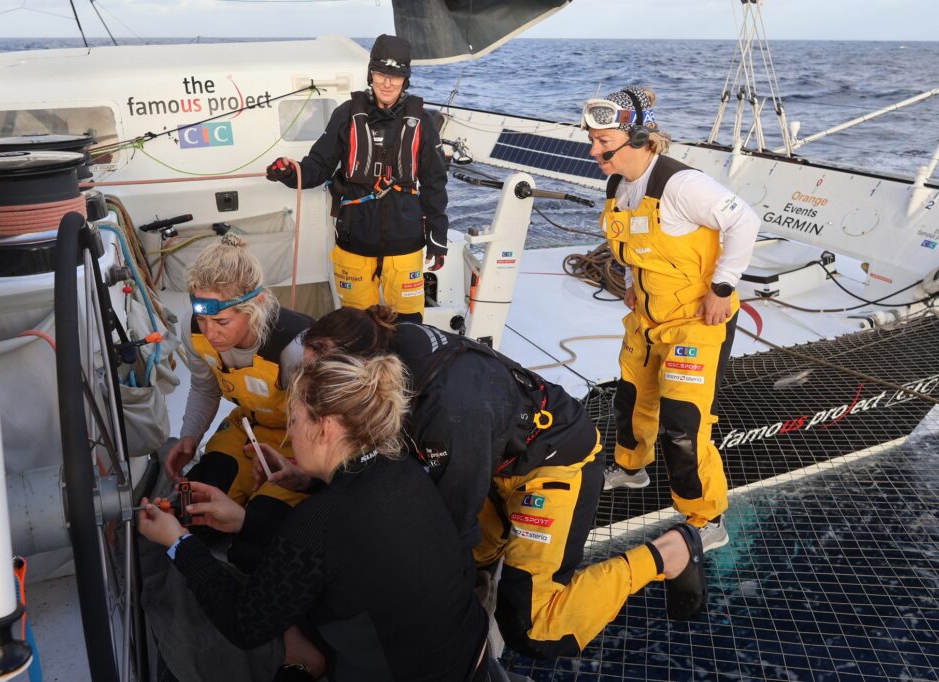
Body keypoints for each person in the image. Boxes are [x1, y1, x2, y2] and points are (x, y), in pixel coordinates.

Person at [298, 306, 709, 660]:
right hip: (495, 458)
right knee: (470, 558)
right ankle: (497, 566)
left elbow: (450, 523)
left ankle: (668, 552)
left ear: (360, 371)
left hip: (552, 468)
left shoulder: (449, 410)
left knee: (533, 629)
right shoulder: (388, 341)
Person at [139, 353, 497, 681]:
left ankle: (303, 663)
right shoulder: (402, 467)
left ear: (325, 428)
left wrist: (177, 542)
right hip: (468, 656)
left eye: (293, 420)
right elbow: (343, 549)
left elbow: (243, 624)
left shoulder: (318, 519)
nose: (289, 433)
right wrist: (245, 520)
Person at [582, 86, 760, 551]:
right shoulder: (617, 185)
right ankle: (630, 468)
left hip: (696, 323)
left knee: (682, 424)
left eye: (603, 142)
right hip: (647, 317)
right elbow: (632, 243)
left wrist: (722, 288)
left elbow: (745, 222)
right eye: (592, 139)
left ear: (639, 139)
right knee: (631, 399)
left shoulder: (683, 186)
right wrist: (630, 283)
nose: (593, 150)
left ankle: (707, 519)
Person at [264, 34, 449, 323]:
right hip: (354, 243)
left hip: (406, 245)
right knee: (358, 328)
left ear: (406, 79)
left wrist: (438, 238)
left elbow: (435, 183)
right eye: (381, 73)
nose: (387, 82)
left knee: (410, 326)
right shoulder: (346, 115)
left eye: (396, 75)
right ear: (371, 74)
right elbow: (317, 167)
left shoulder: (422, 122)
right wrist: (289, 173)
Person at [163, 234, 312, 510]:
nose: (209, 332)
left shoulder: (295, 347)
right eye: (202, 319)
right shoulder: (191, 330)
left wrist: (306, 474)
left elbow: (326, 424)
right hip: (247, 429)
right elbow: (204, 387)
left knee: (264, 519)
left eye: (222, 321)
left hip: (299, 440)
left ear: (256, 305)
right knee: (193, 506)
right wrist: (190, 436)